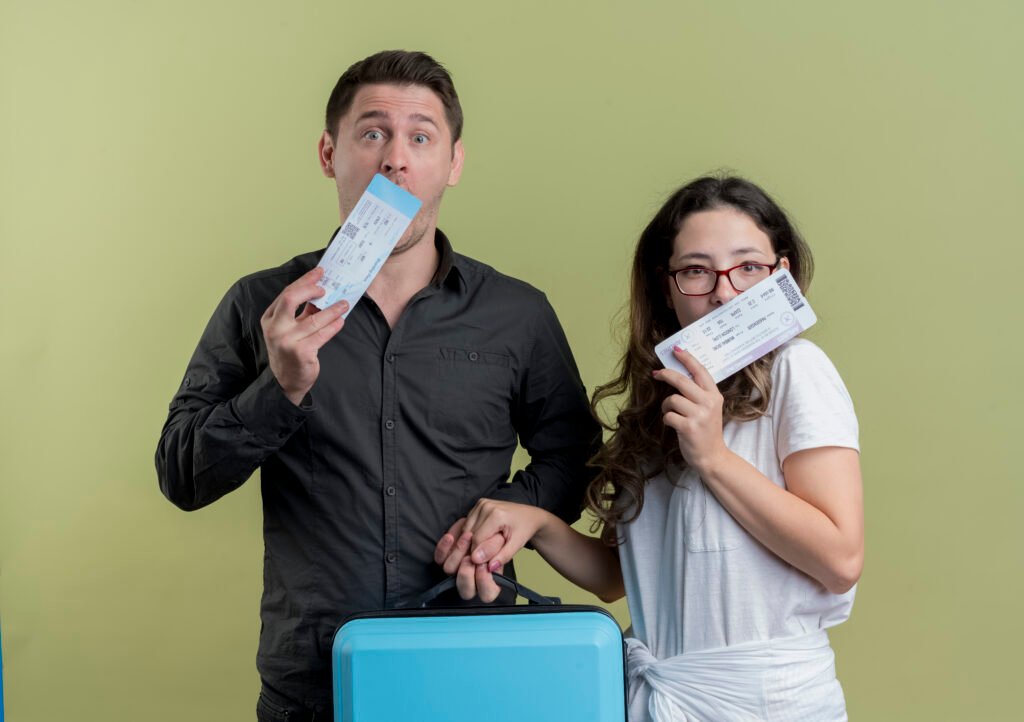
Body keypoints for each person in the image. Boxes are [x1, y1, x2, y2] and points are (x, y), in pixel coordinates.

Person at [155, 50, 599, 720]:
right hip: (316, 680)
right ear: (330, 153)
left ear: (452, 163)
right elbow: (181, 476)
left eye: (421, 136)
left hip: (476, 664)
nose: (396, 158)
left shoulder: (518, 314)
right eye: (373, 133)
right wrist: (278, 387)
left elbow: (576, 458)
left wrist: (517, 513)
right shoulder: (261, 306)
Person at [453, 175, 864, 721]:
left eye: (748, 267)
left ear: (780, 275)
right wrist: (538, 525)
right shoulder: (660, 404)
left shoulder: (798, 371)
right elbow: (618, 579)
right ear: (667, 289)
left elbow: (840, 559)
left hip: (771, 703)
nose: (724, 291)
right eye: (696, 270)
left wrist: (713, 457)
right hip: (658, 700)